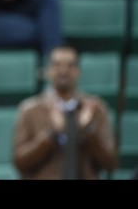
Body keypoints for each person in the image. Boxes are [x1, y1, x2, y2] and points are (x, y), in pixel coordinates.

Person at [13, 45, 118, 179]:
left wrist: (87, 131)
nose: (63, 71)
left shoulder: (96, 109)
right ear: (48, 70)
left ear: (78, 71)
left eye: (70, 65)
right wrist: (52, 135)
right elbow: (20, 163)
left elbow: (111, 163)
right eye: (57, 65)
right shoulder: (29, 110)